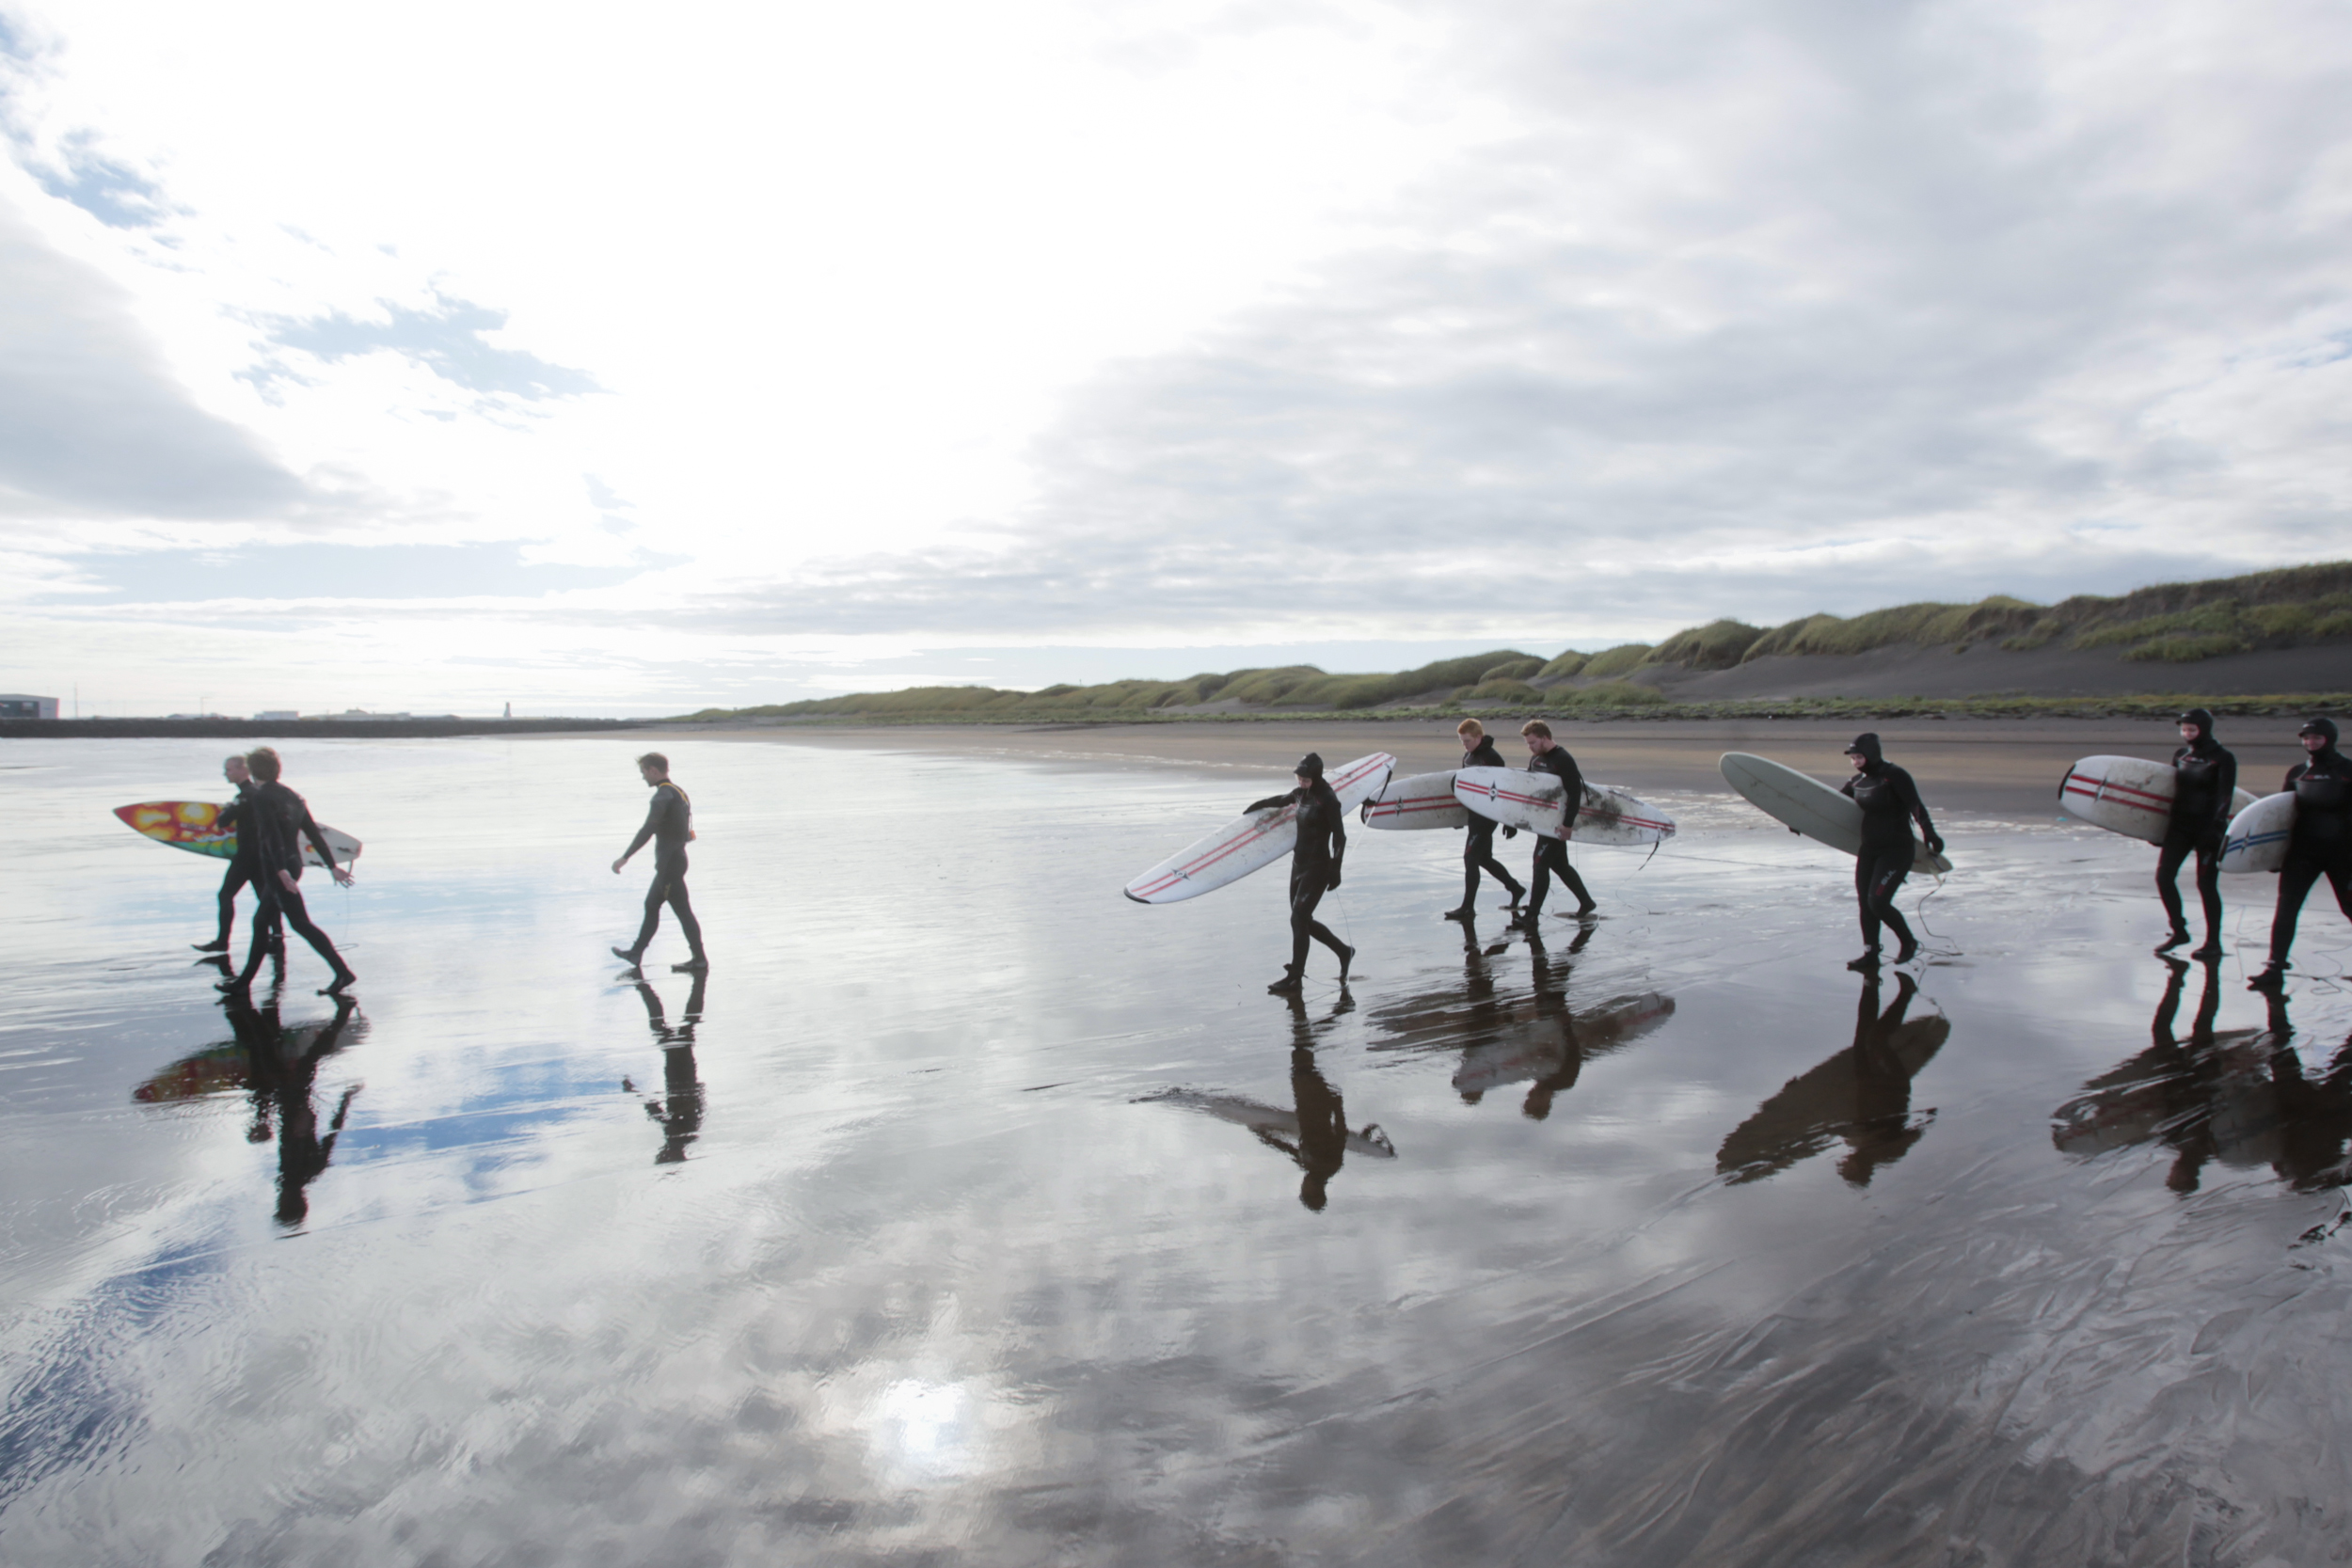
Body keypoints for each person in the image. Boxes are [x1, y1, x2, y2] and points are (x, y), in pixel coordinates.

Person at [224, 747, 357, 995]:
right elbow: (313, 833)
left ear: (253, 770)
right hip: (291, 865)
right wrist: (331, 866)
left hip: (279, 868)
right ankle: (243, 983)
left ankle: (343, 972)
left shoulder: (261, 797)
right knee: (263, 921)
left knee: (299, 923)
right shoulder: (293, 796)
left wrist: (281, 871)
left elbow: (271, 835)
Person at [2251, 718, 2352, 990]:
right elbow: (2280, 817)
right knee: (2286, 909)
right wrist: (2272, 855)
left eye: (2316, 738)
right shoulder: (2297, 772)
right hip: (2302, 852)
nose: (2310, 743)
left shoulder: (2347, 770)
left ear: (2329, 739)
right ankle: (2274, 969)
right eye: (2306, 738)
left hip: (2343, 853)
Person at [1247, 752, 1354, 994]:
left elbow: (1340, 836)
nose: (1301, 783)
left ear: (1315, 777)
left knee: (1298, 919)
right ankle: (1343, 951)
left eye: (1305, 780)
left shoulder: (1327, 799)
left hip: (1318, 867)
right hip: (1298, 865)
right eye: (1299, 779)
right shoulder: (1300, 793)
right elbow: (1282, 800)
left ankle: (1295, 977)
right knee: (1302, 920)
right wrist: (1256, 806)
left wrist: (1336, 869)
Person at [1839, 733, 1942, 969]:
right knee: (1865, 904)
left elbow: (1915, 805)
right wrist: (1801, 821)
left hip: (1896, 850)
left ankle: (1909, 942)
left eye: (1859, 757)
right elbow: (1829, 806)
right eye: (1852, 758)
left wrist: (1930, 832)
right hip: (1869, 851)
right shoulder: (1856, 782)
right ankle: (1871, 955)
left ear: (1872, 754)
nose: (1855, 762)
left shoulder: (1894, 776)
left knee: (1877, 901)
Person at [612, 752, 706, 973]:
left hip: (669, 865)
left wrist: (625, 857)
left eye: (643, 772)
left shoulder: (662, 796)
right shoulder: (679, 792)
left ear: (653, 770)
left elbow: (648, 829)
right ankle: (637, 953)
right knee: (654, 906)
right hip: (677, 860)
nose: (643, 777)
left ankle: (699, 959)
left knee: (680, 911)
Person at [2155, 708, 2236, 958]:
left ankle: (2213, 943)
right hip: (2180, 827)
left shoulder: (2223, 757)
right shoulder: (2181, 755)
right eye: (2184, 729)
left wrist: (2215, 828)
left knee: (2206, 884)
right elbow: (2169, 793)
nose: (2187, 734)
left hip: (2207, 829)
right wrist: (2155, 828)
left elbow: (2226, 796)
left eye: (2192, 729)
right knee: (2164, 877)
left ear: (2205, 729)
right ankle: (2179, 930)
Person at [193, 753, 280, 958]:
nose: (225, 774)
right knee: (264, 897)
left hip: (247, 856)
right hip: (260, 855)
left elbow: (223, 821)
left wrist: (229, 808)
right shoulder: (255, 793)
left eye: (229, 769)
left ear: (243, 770)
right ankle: (276, 939)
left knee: (225, 895)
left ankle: (223, 942)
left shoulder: (246, 795)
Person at [1515, 720, 1595, 927]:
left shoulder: (1563, 759)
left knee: (1540, 864)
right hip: (1544, 823)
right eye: (1528, 744)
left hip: (1558, 824)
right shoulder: (1536, 759)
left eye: (1533, 742)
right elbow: (1530, 789)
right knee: (1559, 865)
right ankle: (1586, 902)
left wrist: (1568, 825)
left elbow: (1575, 794)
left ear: (1544, 737)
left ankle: (1532, 916)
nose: (1530, 747)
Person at [1444, 718, 1525, 921]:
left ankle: (1467, 908)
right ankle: (1515, 888)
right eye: (1462, 741)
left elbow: (1504, 790)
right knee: (1483, 858)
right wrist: (1458, 817)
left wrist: (1509, 821)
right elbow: (1465, 789)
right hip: (1474, 815)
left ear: (1479, 737)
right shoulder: (1468, 757)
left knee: (1470, 858)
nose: (1465, 745)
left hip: (1487, 817)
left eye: (1468, 740)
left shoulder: (1492, 758)